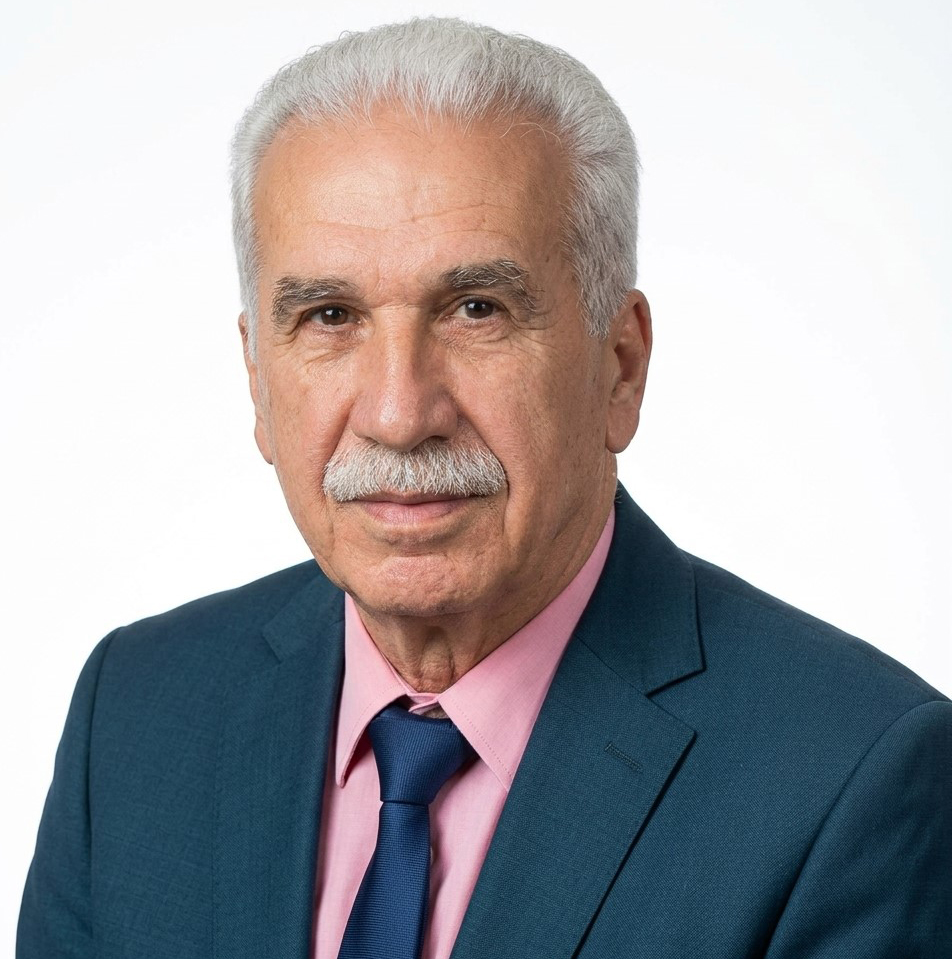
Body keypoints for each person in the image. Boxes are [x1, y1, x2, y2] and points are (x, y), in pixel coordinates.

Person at [18, 17, 950, 959]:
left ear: (620, 367)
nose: (398, 413)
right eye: (330, 316)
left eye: (477, 310)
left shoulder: (852, 779)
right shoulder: (135, 714)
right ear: (257, 377)